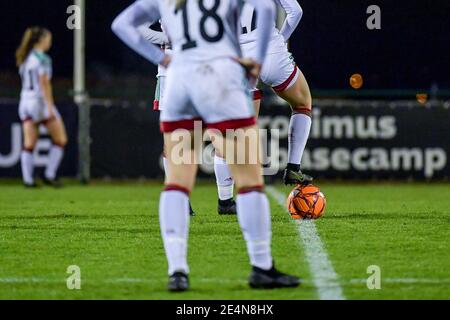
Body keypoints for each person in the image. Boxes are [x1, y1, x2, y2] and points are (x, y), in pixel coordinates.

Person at [112, 0, 300, 292]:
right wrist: (258, 60)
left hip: (180, 81)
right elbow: (264, 9)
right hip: (221, 78)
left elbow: (121, 24)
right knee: (250, 181)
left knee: (176, 183)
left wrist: (161, 59)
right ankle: (261, 267)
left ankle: (177, 271)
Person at [214, 0, 313, 204]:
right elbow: (295, 12)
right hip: (270, 49)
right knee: (303, 104)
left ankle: (226, 200)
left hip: (235, 55)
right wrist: (280, 40)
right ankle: (293, 166)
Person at [139, 22, 236, 215]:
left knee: (224, 133)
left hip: (205, 68)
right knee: (175, 141)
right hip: (171, 72)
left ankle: (225, 201)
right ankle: (180, 201)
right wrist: (167, 39)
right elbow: (138, 27)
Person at [15, 27, 67, 188]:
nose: (50, 42)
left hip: (25, 102)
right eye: (48, 38)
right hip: (39, 103)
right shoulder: (43, 58)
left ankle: (28, 180)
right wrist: (50, 107)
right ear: (41, 40)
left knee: (29, 143)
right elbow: (44, 83)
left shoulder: (24, 57)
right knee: (60, 139)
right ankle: (49, 175)